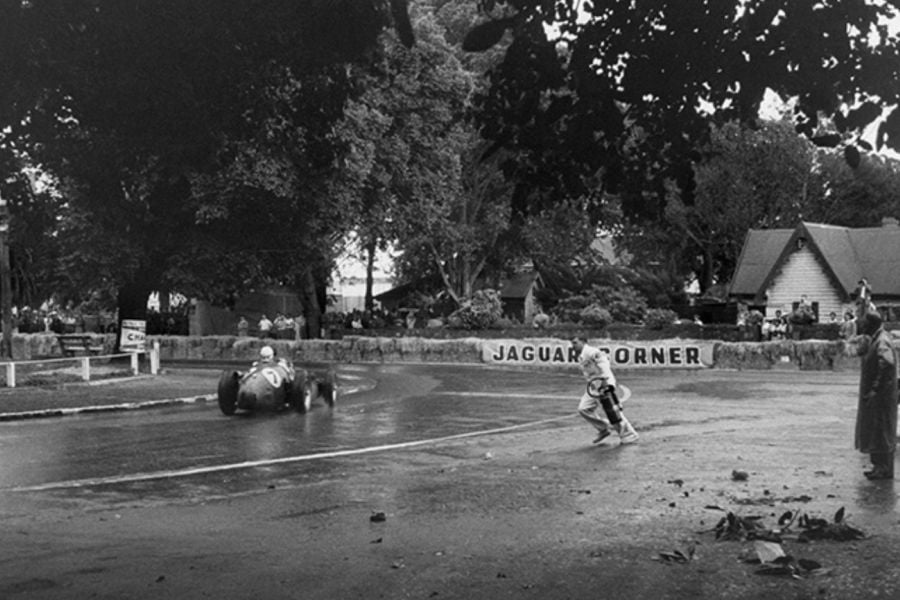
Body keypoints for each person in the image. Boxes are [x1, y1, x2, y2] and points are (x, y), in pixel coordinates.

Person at [571, 336, 639, 445]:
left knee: (612, 411)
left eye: (575, 343)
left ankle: (629, 435)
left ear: (583, 342)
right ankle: (604, 428)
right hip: (593, 387)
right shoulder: (581, 356)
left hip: (604, 384)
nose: (573, 346)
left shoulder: (592, 352)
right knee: (583, 408)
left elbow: (604, 365)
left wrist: (606, 383)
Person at [855, 310, 898, 480]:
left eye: (865, 323)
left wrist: (875, 389)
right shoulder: (877, 338)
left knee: (881, 431)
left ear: (872, 323)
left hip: (881, 397)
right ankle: (878, 465)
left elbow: (886, 364)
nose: (862, 325)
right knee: (875, 430)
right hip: (879, 396)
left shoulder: (882, 341)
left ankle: (883, 468)